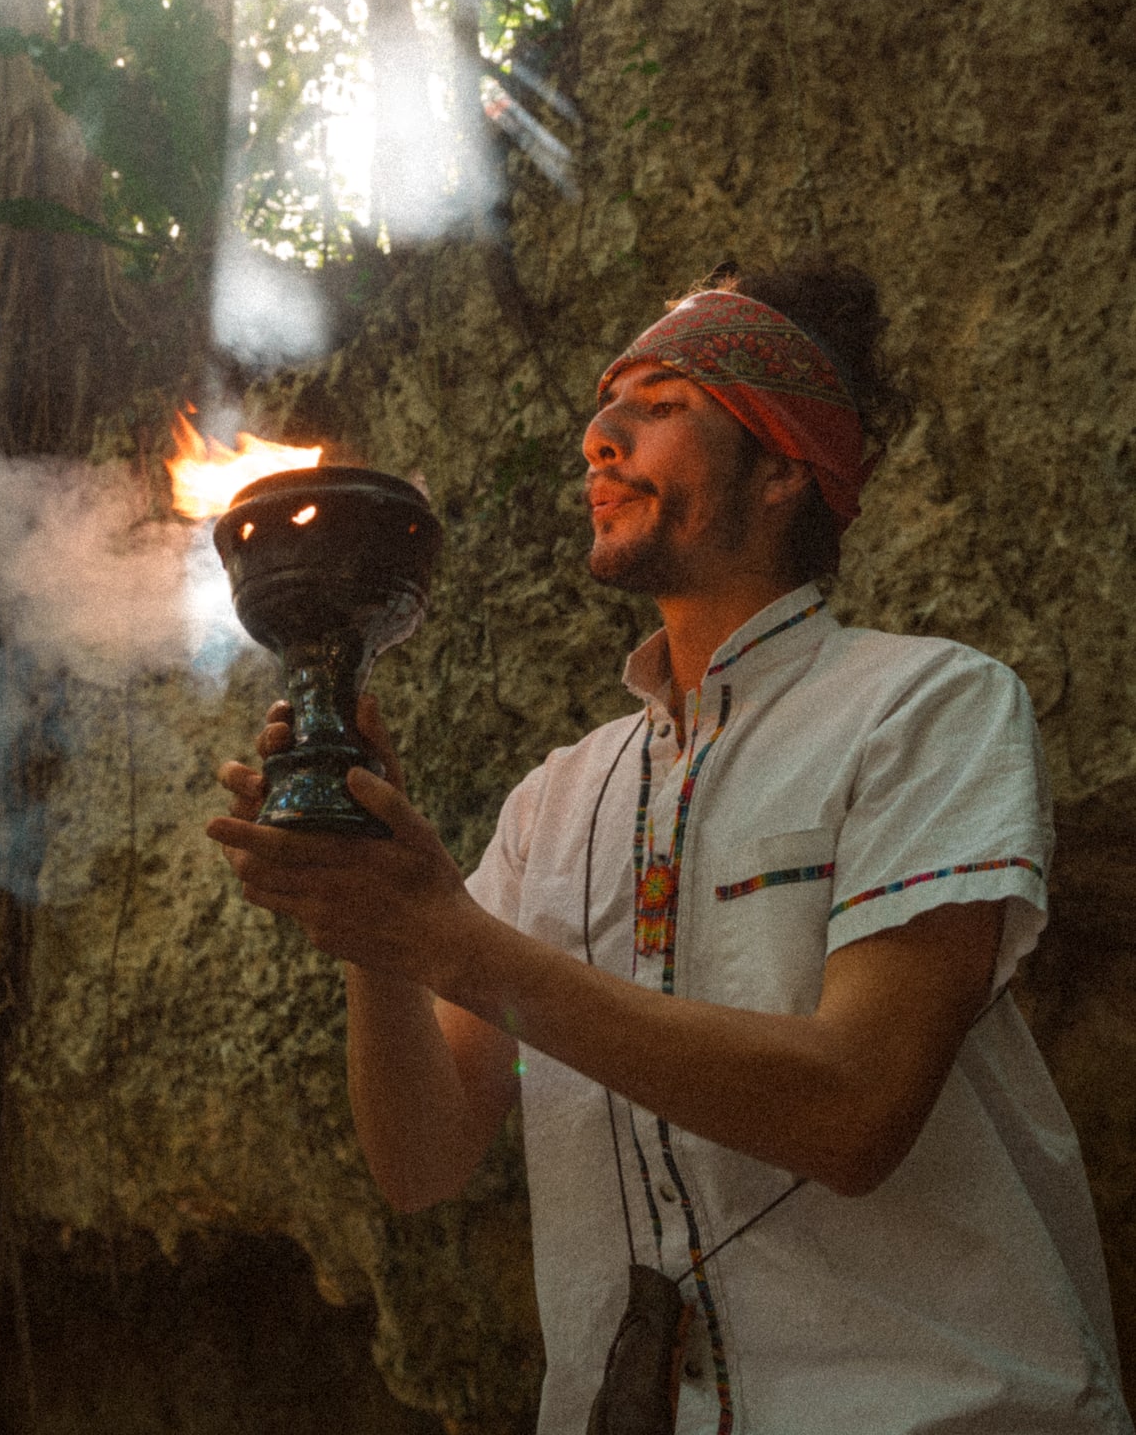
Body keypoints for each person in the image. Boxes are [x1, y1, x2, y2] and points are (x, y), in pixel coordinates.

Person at [209, 259, 1131, 1435]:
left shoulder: (927, 706)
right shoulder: (556, 799)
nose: (600, 437)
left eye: (659, 403)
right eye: (604, 407)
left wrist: (449, 936)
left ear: (786, 466)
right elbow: (425, 1154)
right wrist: (370, 924)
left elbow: (855, 1109)